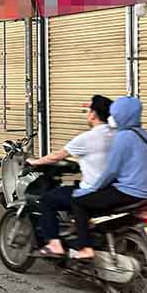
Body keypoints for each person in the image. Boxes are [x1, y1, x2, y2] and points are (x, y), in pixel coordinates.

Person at [69, 96, 147, 260]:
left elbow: (111, 171)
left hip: (131, 192)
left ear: (120, 114)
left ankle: (85, 248)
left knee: (79, 202)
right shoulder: (143, 134)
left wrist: (92, 188)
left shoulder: (123, 137)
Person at [26, 95, 114, 258]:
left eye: (89, 111)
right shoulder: (116, 134)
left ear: (93, 114)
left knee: (47, 200)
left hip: (91, 191)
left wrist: (36, 162)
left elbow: (57, 156)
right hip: (112, 191)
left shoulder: (88, 138)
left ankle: (55, 245)